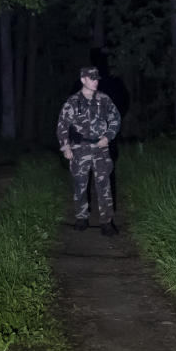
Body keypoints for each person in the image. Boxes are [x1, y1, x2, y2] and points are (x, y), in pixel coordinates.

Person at [56, 66, 122, 236]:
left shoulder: (104, 100)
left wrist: (108, 136)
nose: (96, 81)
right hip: (80, 149)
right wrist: (66, 147)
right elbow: (62, 125)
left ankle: (107, 223)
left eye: (97, 78)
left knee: (104, 185)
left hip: (101, 148)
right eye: (92, 78)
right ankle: (81, 217)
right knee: (80, 184)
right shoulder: (73, 102)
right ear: (83, 79)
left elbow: (115, 118)